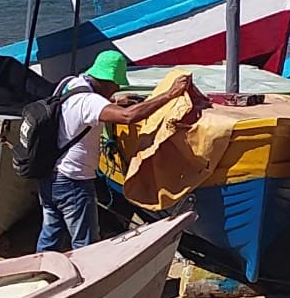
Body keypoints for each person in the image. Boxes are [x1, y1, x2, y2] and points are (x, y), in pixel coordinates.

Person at [37, 49, 192, 252]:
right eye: (115, 84)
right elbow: (128, 117)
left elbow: (77, 111)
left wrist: (114, 103)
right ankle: (93, 282)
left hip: (50, 176)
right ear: (106, 80)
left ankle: (39, 276)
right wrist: (169, 94)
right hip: (74, 180)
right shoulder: (90, 101)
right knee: (86, 245)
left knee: (51, 235)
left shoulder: (70, 84)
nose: (117, 88)